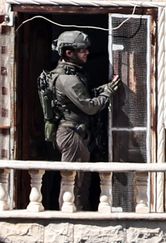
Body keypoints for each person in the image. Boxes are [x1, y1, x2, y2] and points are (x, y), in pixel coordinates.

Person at [51, 30, 121, 210]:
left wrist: (103, 89)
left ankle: (78, 209)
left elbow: (85, 97)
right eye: (82, 50)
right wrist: (107, 93)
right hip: (71, 133)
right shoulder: (68, 79)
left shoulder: (73, 75)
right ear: (69, 53)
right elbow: (90, 107)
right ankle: (69, 214)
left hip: (77, 132)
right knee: (74, 179)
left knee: (81, 178)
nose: (87, 53)